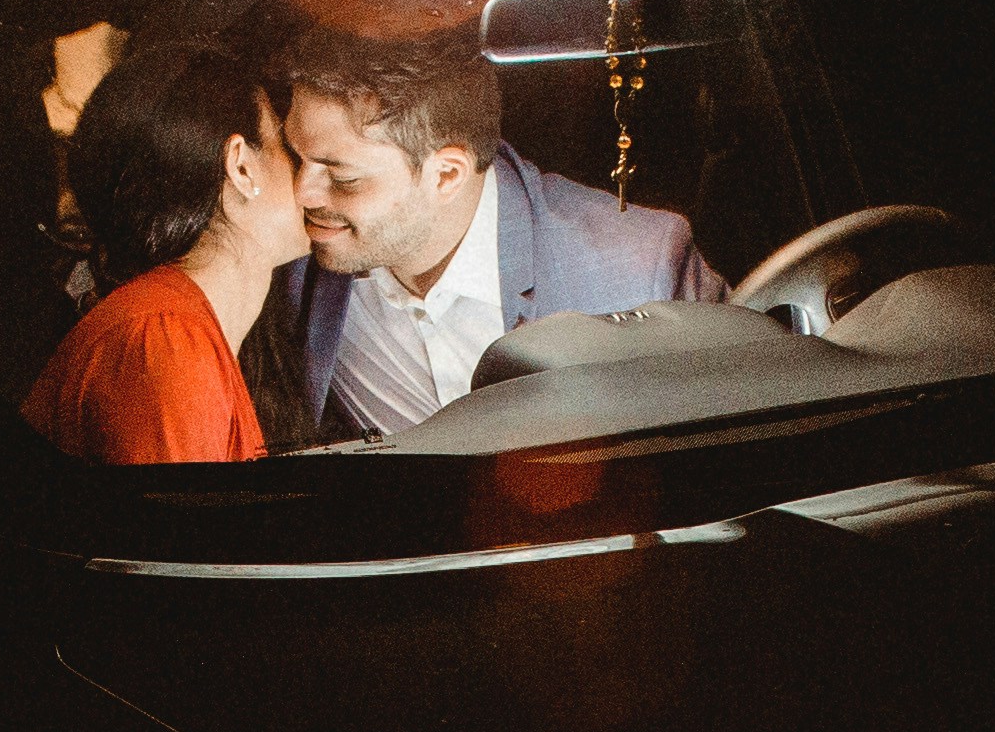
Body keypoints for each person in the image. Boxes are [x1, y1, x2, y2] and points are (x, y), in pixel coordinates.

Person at [273, 22, 730, 439]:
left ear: (446, 175)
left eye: (343, 178)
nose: (301, 194)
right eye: (296, 158)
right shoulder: (286, 255)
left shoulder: (643, 270)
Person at [21, 47, 310, 464]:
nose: (311, 176)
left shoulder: (175, 330)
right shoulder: (165, 344)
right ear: (241, 167)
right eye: (288, 145)